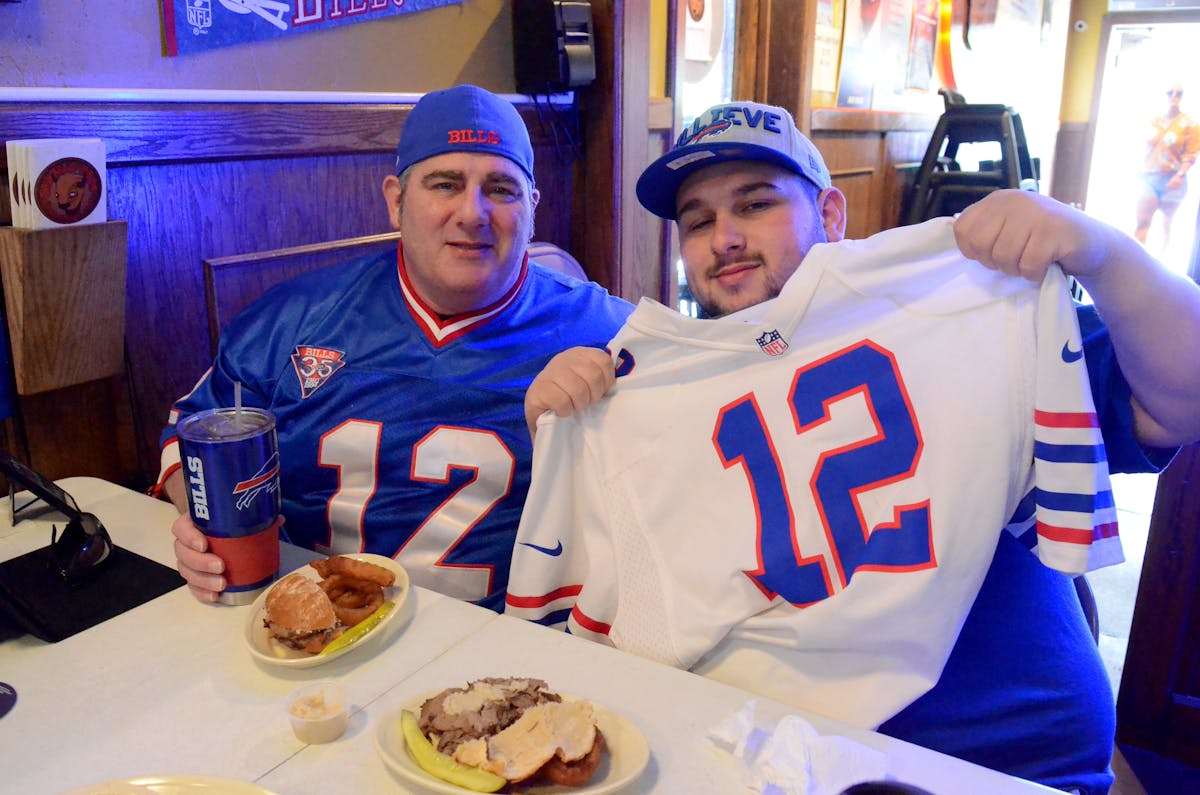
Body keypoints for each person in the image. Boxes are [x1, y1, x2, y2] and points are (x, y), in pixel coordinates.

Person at [509, 100, 1200, 794]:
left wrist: (1105, 253)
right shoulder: (642, 386)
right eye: (698, 221)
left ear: (830, 215)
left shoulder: (959, 310)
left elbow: (1185, 399)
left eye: (754, 204)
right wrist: (568, 429)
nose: (724, 238)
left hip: (1000, 759)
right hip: (777, 759)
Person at [156, 84, 633, 611]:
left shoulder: (609, 333)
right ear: (396, 201)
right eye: (445, 184)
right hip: (313, 631)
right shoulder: (292, 318)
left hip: (504, 644)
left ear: (532, 209)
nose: (473, 213)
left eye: (501, 189)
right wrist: (203, 533)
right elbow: (192, 434)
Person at [1134, 82, 1200, 251]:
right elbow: (1142, 145)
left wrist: (1180, 175)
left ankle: (1162, 262)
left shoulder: (1190, 124)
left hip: (1173, 179)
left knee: (1166, 224)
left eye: (1178, 94)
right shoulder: (1153, 121)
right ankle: (1138, 262)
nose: (1174, 97)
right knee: (1142, 222)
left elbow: (1191, 153)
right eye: (1170, 93)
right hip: (1149, 177)